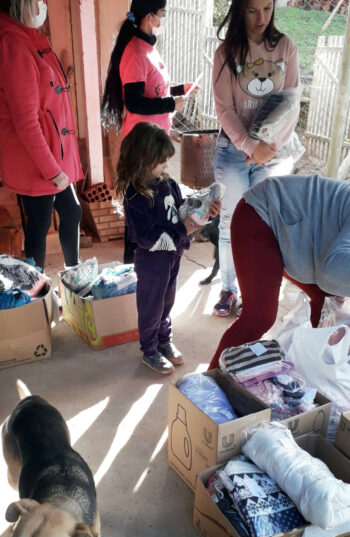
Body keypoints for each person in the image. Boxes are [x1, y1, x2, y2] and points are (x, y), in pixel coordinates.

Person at [212, 0, 300, 317]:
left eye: (267, 8)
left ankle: (254, 294)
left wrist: (268, 147)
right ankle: (227, 290)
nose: (261, 17)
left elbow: (291, 101)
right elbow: (225, 109)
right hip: (234, 152)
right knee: (230, 223)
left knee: (263, 226)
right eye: (252, 10)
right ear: (239, 10)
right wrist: (251, 147)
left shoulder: (285, 46)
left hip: (272, 153)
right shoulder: (226, 52)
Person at [208, 174, 350, 369]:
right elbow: (333, 270)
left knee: (329, 304)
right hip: (261, 215)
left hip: (295, 235)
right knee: (258, 317)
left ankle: (313, 374)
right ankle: (207, 387)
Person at [116, 122, 221, 375]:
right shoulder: (135, 194)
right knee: (151, 305)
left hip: (174, 256)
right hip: (152, 262)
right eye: (161, 161)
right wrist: (182, 230)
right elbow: (145, 237)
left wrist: (202, 210)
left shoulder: (168, 183)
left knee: (167, 301)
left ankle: (164, 341)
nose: (165, 165)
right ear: (142, 159)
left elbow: (181, 208)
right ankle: (149, 351)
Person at [101, 0, 195, 264]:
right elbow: (134, 101)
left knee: (154, 204)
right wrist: (169, 104)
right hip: (141, 143)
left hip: (155, 141)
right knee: (139, 211)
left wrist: (178, 89)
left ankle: (151, 260)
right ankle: (133, 269)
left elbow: (154, 88)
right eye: (161, 14)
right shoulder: (134, 52)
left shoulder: (149, 47)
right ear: (148, 16)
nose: (163, 20)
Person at [0, 0, 83, 271]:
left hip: (50, 154)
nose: (42, 6)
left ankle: (74, 276)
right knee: (39, 227)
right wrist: (51, 170)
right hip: (34, 160)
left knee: (71, 212)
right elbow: (26, 121)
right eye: (38, 1)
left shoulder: (29, 37)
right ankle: (37, 297)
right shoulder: (13, 43)